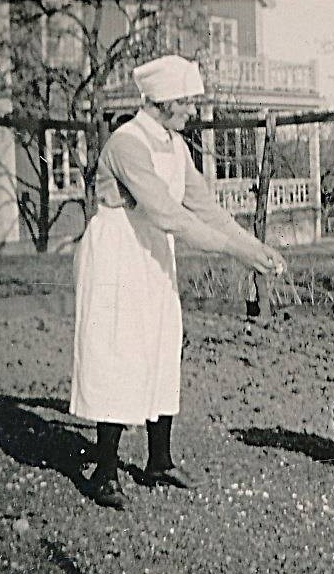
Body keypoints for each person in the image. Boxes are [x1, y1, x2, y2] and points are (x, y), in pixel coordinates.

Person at [70, 55, 286, 509]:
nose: (192, 110)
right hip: (118, 252)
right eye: (187, 102)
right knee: (119, 350)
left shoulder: (174, 145)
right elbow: (168, 214)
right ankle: (104, 470)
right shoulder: (127, 144)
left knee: (163, 343)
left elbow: (204, 208)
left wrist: (253, 246)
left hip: (152, 250)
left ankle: (159, 460)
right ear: (165, 102)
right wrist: (238, 252)